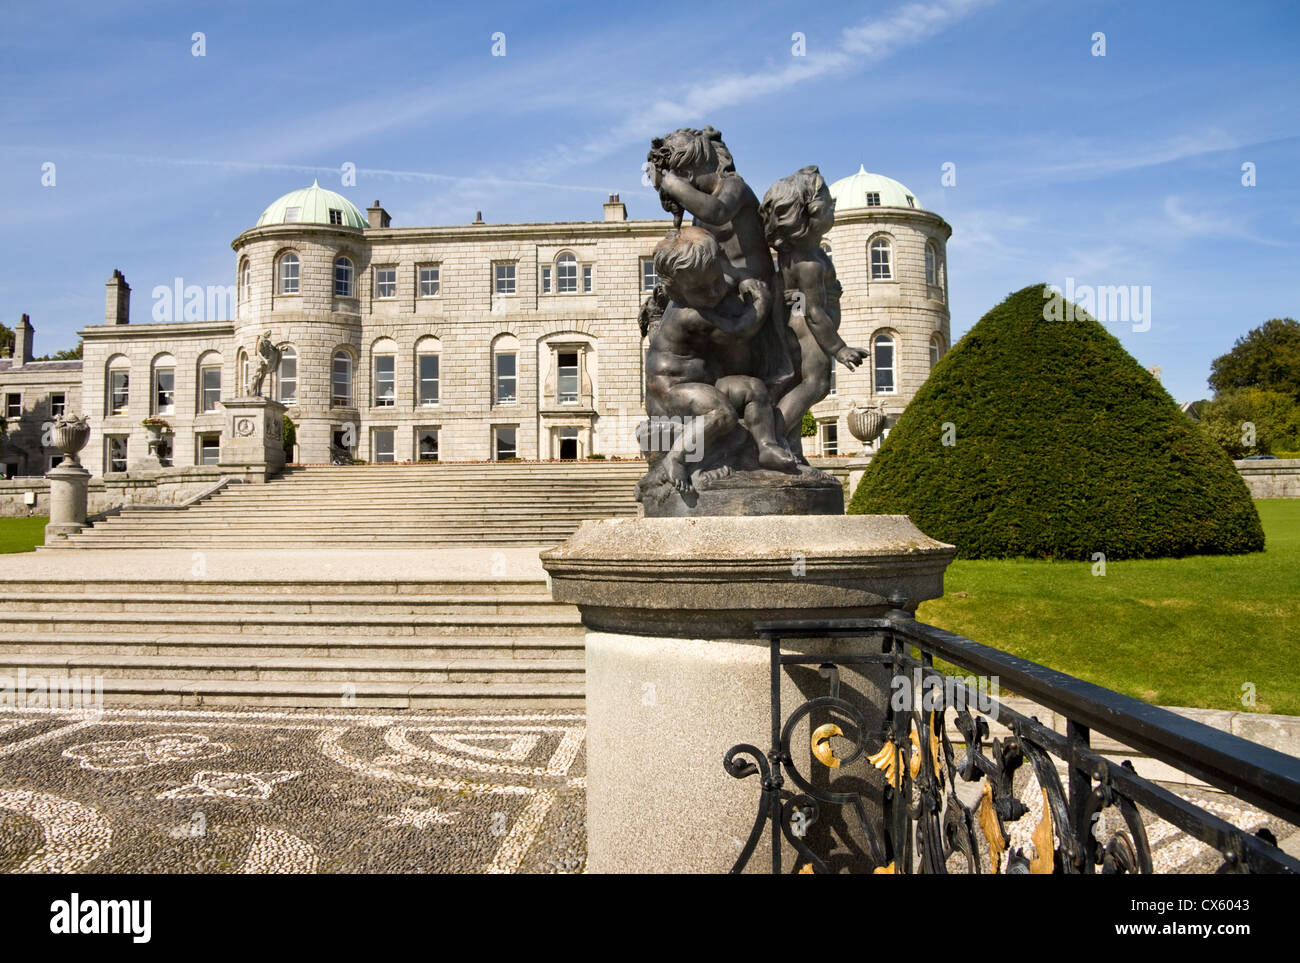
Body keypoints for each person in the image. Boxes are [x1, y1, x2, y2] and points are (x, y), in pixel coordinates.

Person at [643, 227, 798, 493]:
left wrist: (742, 279)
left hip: (705, 384)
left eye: (716, 280)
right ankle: (676, 457)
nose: (716, 292)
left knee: (753, 388)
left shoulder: (706, 286)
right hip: (671, 392)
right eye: (702, 290)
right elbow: (740, 330)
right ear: (677, 292)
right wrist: (761, 301)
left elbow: (730, 275)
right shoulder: (689, 313)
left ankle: (766, 447)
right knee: (721, 413)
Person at [761, 166, 868, 457]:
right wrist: (839, 348)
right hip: (808, 331)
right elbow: (815, 312)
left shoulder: (795, 254)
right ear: (812, 212)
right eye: (828, 201)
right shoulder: (809, 262)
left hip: (796, 322)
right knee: (817, 384)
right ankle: (769, 440)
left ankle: (790, 451)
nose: (833, 206)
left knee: (797, 385)